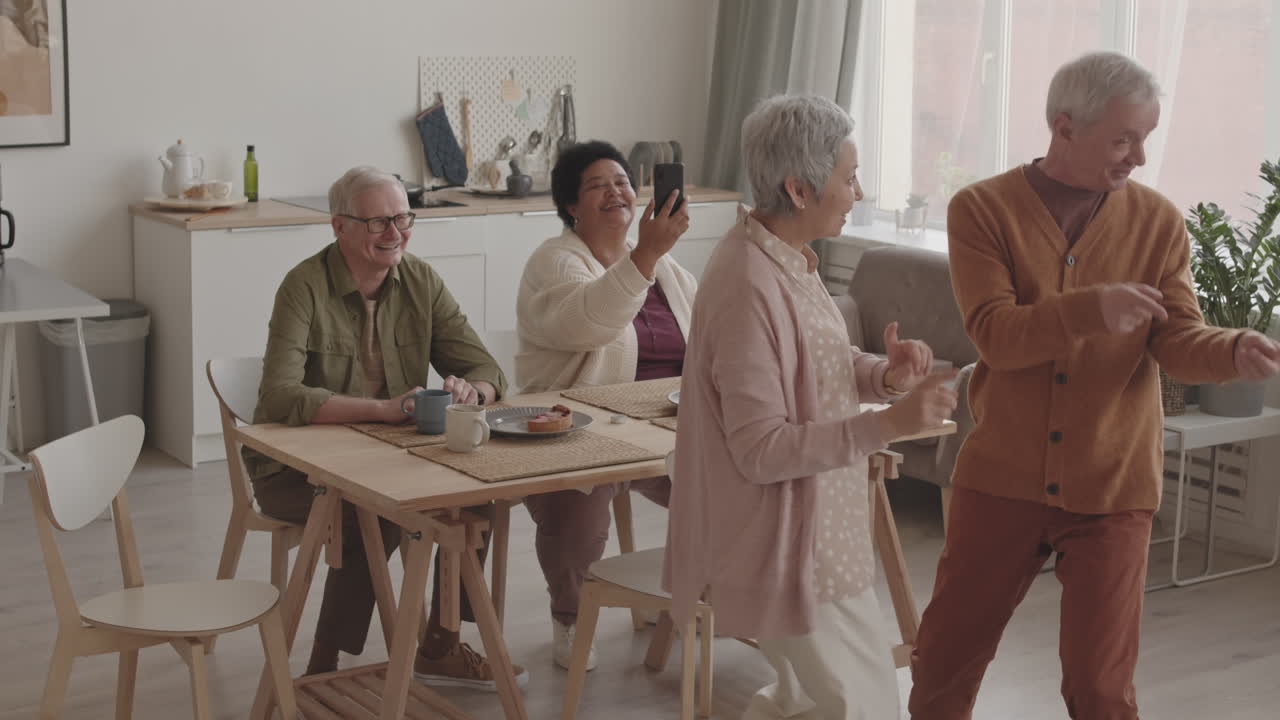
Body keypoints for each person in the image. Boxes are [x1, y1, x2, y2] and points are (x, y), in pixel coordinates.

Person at [907, 51, 1280, 719]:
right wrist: (1092, 310)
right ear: (1063, 127)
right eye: (1123, 138)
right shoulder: (982, 210)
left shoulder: (1158, 222)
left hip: (1112, 485)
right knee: (943, 665)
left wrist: (1231, 349)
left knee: (1102, 689)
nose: (1138, 156)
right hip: (1002, 479)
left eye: (1146, 137)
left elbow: (1175, 337)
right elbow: (994, 334)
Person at [663, 94, 958, 720]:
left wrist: (886, 375)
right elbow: (761, 449)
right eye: (849, 178)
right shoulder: (747, 283)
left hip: (826, 537)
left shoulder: (785, 261)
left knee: (805, 705)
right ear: (799, 188)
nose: (858, 192)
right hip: (790, 547)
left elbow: (822, 366)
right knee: (862, 705)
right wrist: (889, 426)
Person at [246, 165, 528, 690]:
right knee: (371, 514)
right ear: (340, 227)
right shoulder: (304, 286)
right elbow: (279, 396)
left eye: (402, 218)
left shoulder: (421, 281)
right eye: (378, 223)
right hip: (293, 471)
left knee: (477, 496)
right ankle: (324, 668)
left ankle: (440, 648)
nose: (395, 233)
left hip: (389, 457)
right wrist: (383, 410)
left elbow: (489, 370)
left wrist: (475, 391)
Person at [515, 140, 694, 670]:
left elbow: (711, 337)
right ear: (572, 205)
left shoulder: (669, 270)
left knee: (724, 488)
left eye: (622, 182)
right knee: (579, 510)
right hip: (580, 428)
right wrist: (644, 255)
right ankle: (569, 620)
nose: (616, 191)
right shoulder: (555, 261)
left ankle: (688, 598)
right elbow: (588, 322)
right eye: (598, 185)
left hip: (664, 425)